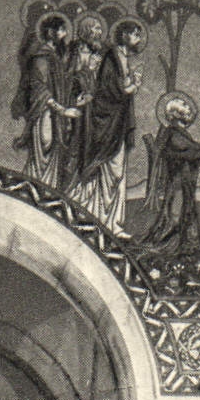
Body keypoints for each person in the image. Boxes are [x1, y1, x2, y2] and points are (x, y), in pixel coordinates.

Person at [64, 16, 145, 238]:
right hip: (105, 121)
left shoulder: (121, 57)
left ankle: (112, 223)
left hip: (116, 122)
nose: (138, 38)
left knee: (117, 172)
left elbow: (118, 88)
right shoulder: (111, 56)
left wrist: (131, 84)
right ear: (124, 35)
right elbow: (109, 89)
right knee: (108, 168)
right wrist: (130, 88)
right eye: (135, 34)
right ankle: (92, 215)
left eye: (139, 34)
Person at [140, 92, 200, 251]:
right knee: (175, 219)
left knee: (185, 217)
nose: (189, 109)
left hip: (184, 185)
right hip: (178, 186)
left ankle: (187, 248)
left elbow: (199, 154)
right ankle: (168, 249)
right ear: (175, 114)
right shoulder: (174, 136)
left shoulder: (179, 134)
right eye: (184, 106)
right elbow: (198, 154)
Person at [10, 11, 87, 186]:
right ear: (51, 33)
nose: (65, 35)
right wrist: (63, 110)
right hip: (44, 112)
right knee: (45, 150)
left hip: (55, 113)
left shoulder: (56, 57)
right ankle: (34, 189)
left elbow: (63, 83)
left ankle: (45, 190)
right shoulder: (41, 57)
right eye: (61, 31)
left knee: (53, 153)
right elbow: (41, 89)